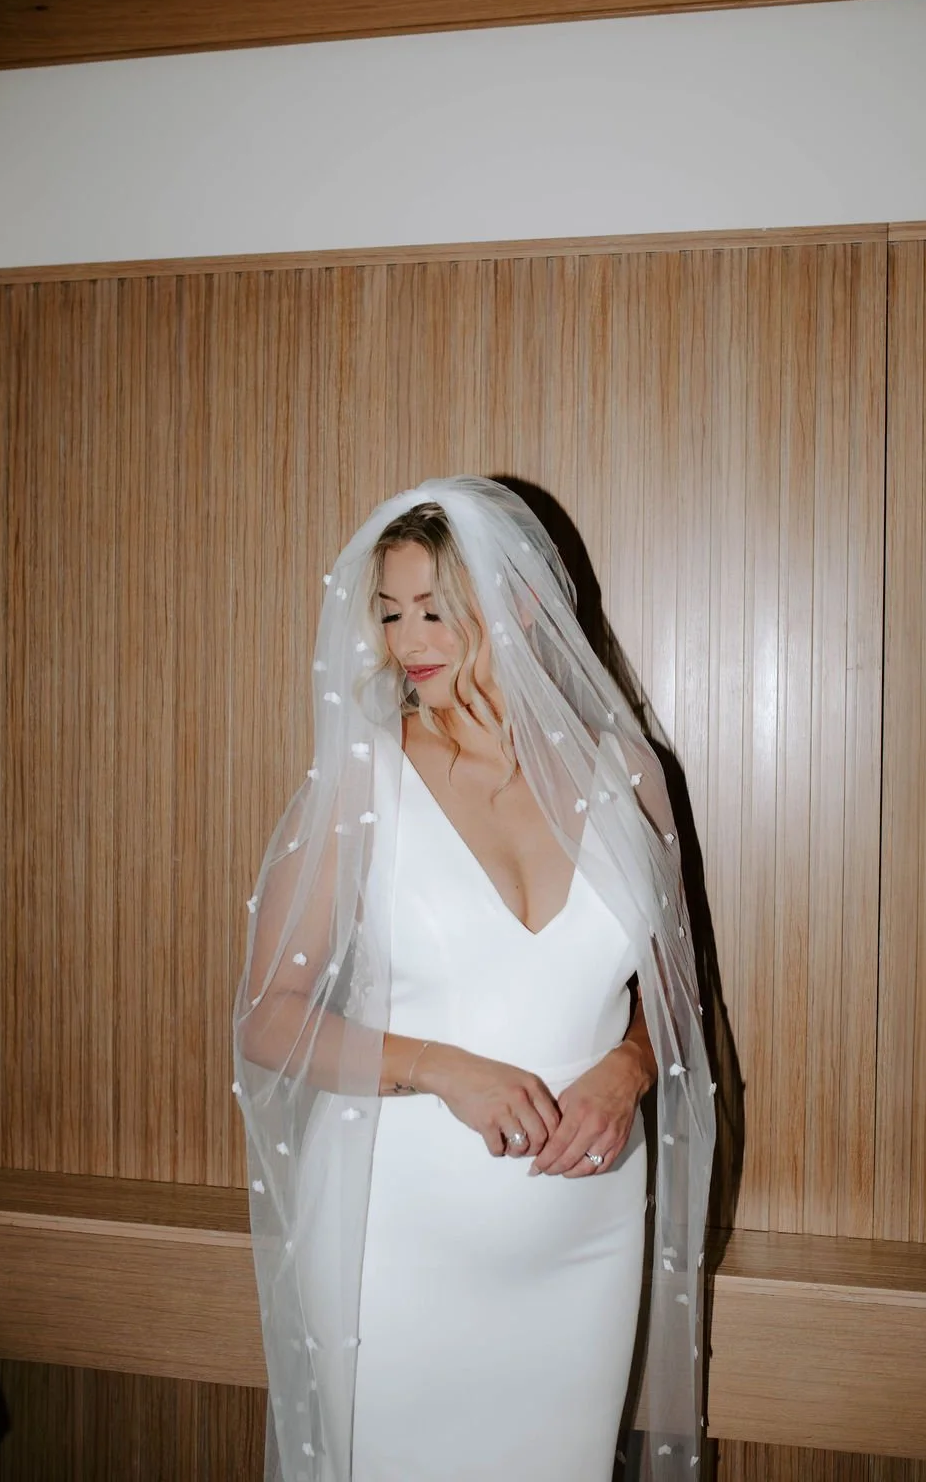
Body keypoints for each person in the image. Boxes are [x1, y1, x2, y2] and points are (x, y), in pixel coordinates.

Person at [233, 477, 715, 1482]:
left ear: (523, 605)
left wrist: (629, 1069)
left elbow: (673, 994)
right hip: (396, 1242)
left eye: (437, 609)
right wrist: (445, 1068)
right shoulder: (365, 777)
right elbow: (269, 1020)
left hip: (583, 1236)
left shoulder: (630, 775)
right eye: (391, 612)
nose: (410, 640)